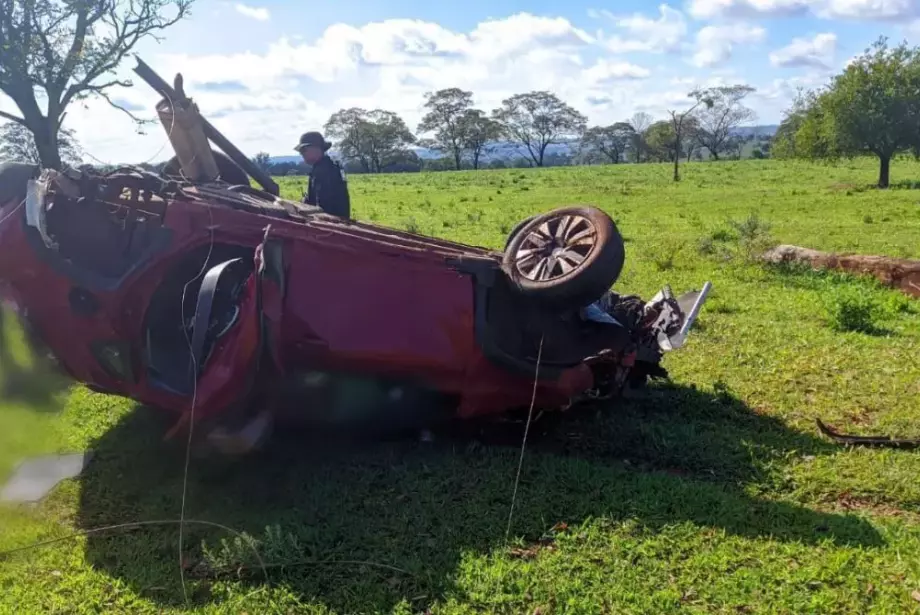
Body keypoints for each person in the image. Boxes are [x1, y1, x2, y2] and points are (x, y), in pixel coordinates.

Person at [294, 131, 351, 218]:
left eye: (304, 150)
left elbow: (322, 207)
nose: (301, 154)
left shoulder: (324, 171)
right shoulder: (328, 165)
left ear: (317, 148)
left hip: (331, 222)